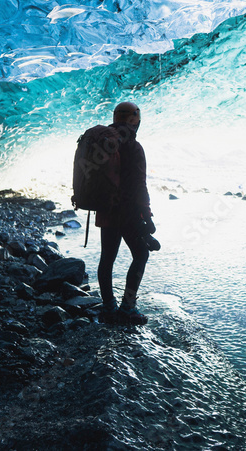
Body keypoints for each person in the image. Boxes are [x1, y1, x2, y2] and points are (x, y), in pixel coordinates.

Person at [96, 101, 157, 325]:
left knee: (107, 259)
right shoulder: (134, 146)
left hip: (105, 209)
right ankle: (128, 308)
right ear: (136, 121)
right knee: (141, 254)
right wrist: (147, 216)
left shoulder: (104, 144)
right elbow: (139, 185)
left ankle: (108, 307)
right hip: (128, 212)